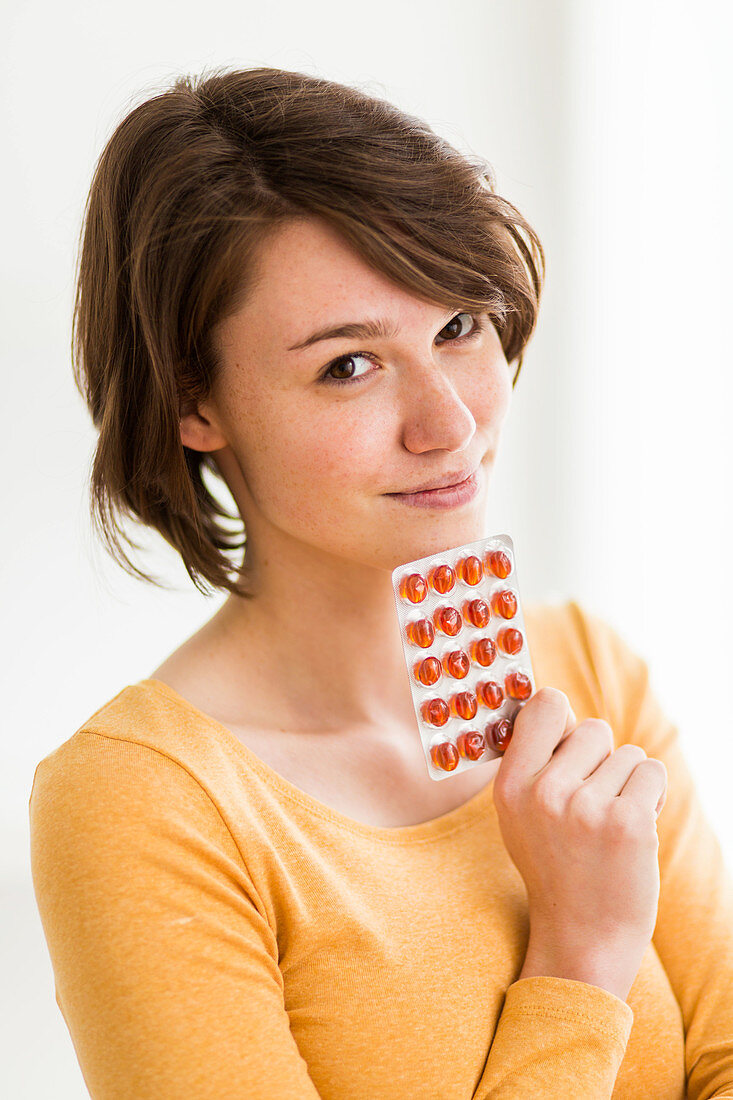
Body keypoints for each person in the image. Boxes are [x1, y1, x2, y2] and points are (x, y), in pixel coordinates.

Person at [28, 65, 733, 1099]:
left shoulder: (585, 668)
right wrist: (580, 957)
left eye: (458, 327)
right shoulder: (142, 800)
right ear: (194, 404)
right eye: (348, 366)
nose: (448, 424)